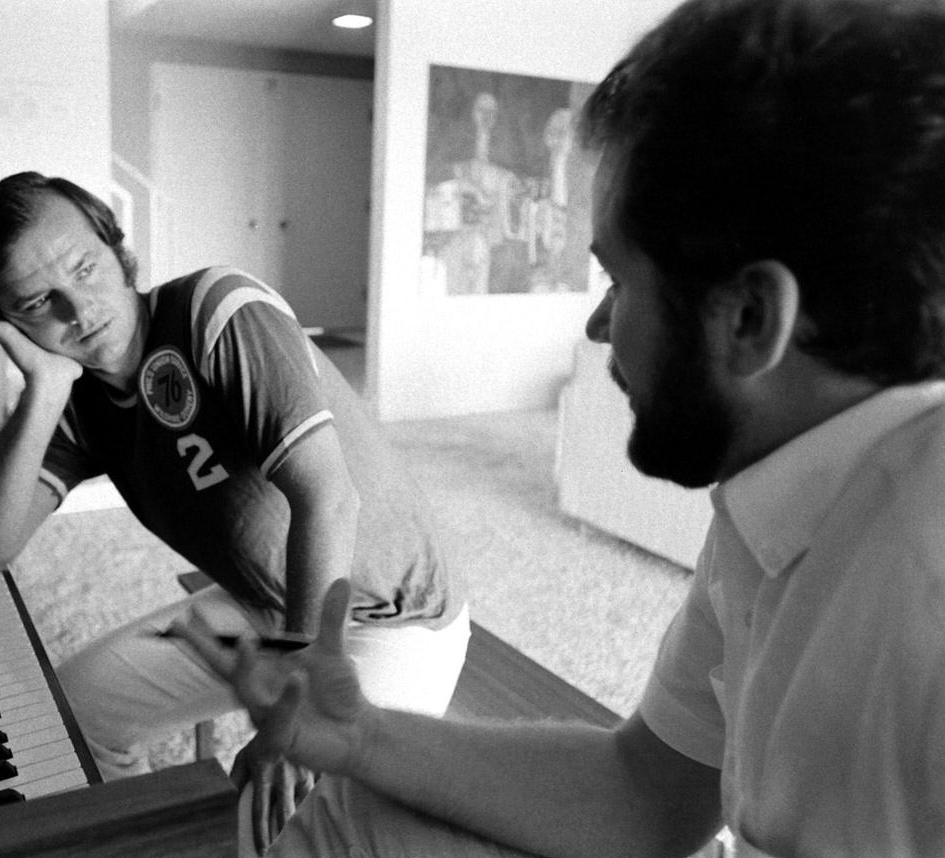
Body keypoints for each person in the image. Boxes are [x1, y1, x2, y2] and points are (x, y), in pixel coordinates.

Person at [173, 0, 945, 855]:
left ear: (750, 318)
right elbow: (644, 792)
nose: (598, 325)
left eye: (618, 279)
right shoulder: (775, 499)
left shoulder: (923, 595)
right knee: (356, 813)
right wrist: (362, 738)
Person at [0, 172, 469, 854]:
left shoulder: (218, 311)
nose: (79, 309)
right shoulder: (79, 402)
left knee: (291, 829)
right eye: (39, 301)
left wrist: (295, 709)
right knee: (69, 712)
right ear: (7, 322)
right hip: (265, 601)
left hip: (387, 619)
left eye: (84, 267)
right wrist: (43, 389)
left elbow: (328, 498)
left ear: (116, 247)